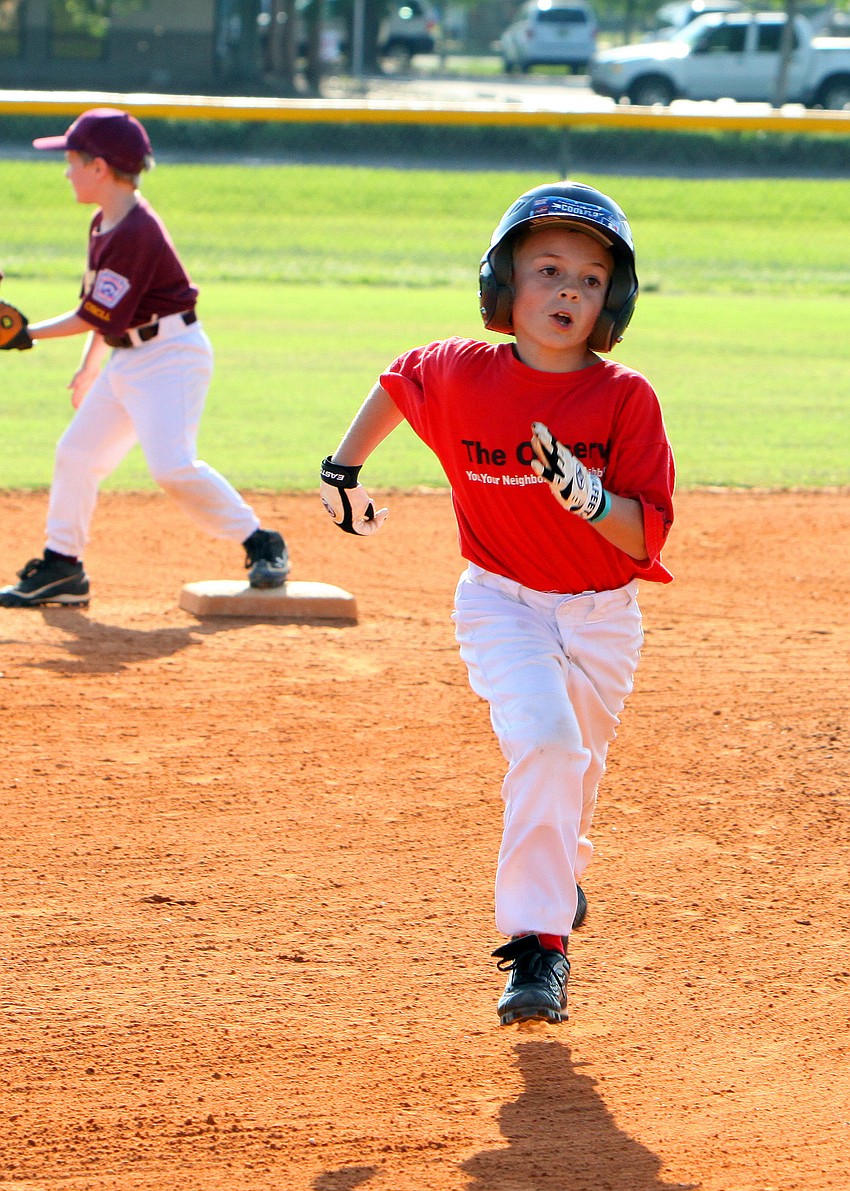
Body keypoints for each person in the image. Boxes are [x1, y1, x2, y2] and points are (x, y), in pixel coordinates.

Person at [319, 181, 675, 1027]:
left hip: (601, 615)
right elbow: (401, 382)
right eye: (548, 269)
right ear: (502, 288)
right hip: (502, 604)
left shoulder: (627, 399)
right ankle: (536, 947)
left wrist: (589, 498)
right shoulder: (462, 373)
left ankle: (557, 878)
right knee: (549, 746)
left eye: (592, 279)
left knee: (574, 771)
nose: (568, 291)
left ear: (613, 301)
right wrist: (342, 470)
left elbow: (643, 539)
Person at [0, 107, 289, 608]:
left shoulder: (136, 232)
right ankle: (63, 565)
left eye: (72, 160)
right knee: (77, 455)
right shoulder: (104, 222)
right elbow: (101, 310)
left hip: (171, 357)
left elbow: (93, 315)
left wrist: (25, 335)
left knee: (172, 466)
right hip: (130, 357)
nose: (66, 171)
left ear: (100, 167)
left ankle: (262, 542)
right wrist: (90, 369)